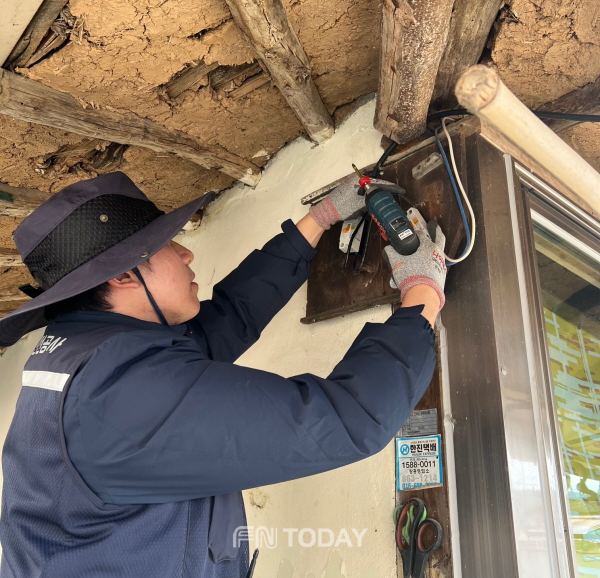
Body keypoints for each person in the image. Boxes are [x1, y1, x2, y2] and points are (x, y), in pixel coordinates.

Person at [0, 171, 446, 578]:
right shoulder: (119, 393)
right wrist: (423, 293)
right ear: (123, 276)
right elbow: (347, 420)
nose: (187, 251)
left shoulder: (92, 347)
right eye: (168, 244)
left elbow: (226, 318)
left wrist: (320, 219)